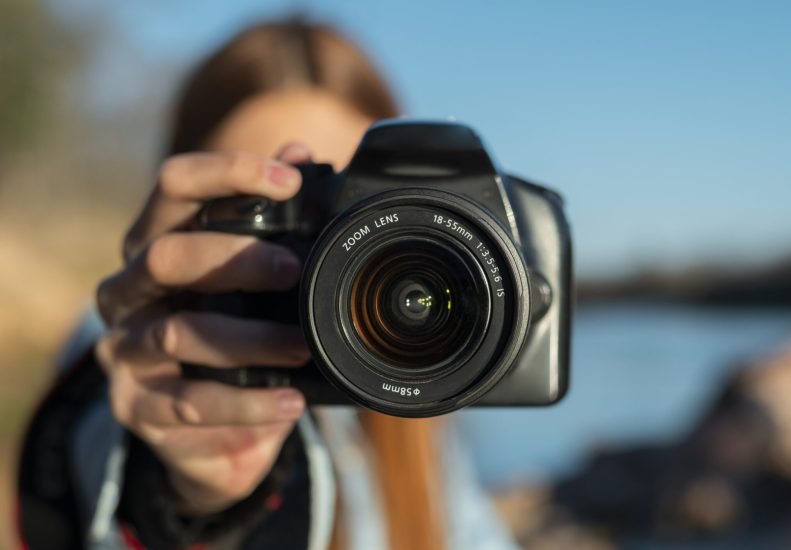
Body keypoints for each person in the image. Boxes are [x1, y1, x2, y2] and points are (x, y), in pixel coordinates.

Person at [17, 20, 517, 550]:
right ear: (179, 213)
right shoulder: (128, 345)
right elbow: (89, 457)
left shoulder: (423, 395)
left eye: (350, 204)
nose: (329, 255)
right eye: (277, 210)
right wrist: (185, 500)